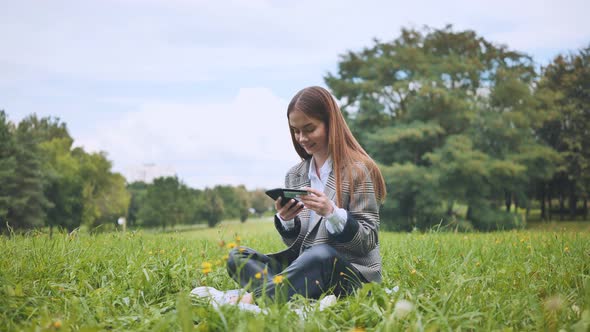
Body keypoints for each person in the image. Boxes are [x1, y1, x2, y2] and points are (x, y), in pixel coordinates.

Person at [200, 86, 386, 306]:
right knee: (238, 257)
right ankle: (291, 297)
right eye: (296, 131)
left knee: (321, 255)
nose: (302, 138)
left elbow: (367, 240)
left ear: (330, 124)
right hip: (307, 272)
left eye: (309, 129)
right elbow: (299, 244)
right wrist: (288, 222)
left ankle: (252, 299)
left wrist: (332, 213)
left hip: (349, 277)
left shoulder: (358, 170)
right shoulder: (295, 175)